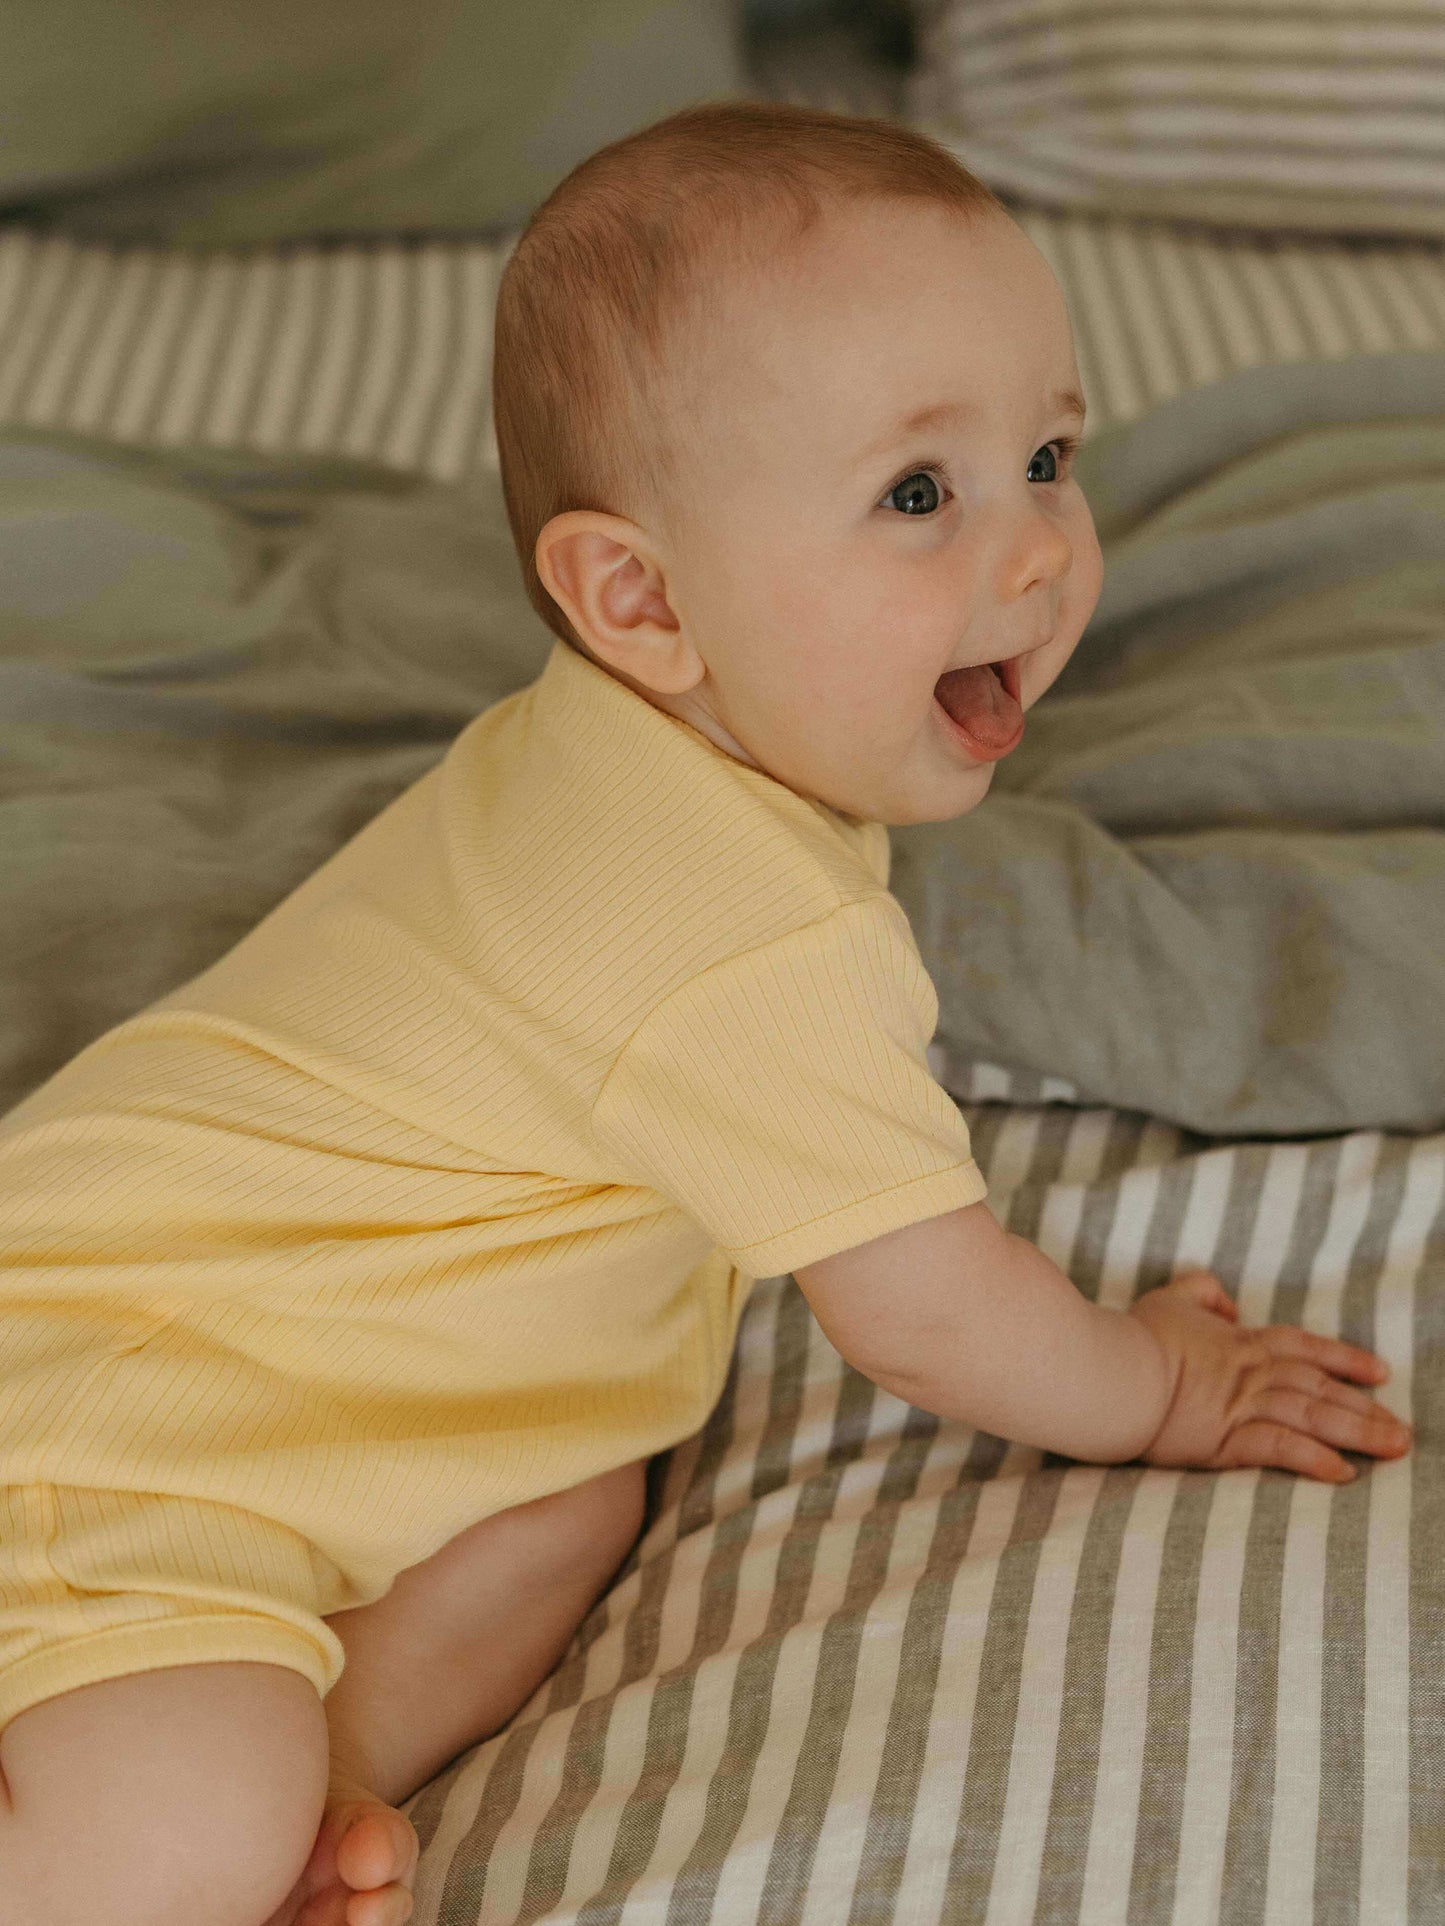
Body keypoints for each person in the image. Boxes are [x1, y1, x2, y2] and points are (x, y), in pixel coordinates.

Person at [0, 101, 1411, 1926]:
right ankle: (227, 1807)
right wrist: (1157, 1382)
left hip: (298, 1366)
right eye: (920, 494)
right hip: (109, 1419)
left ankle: (331, 1778)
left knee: (584, 1497)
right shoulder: (738, 941)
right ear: (641, 599)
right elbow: (927, 1310)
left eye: (1050, 453)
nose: (1039, 551)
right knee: (182, 1812)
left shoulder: (643, 747)